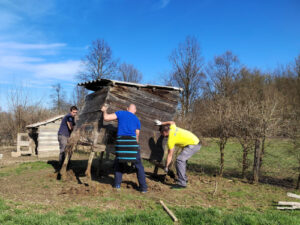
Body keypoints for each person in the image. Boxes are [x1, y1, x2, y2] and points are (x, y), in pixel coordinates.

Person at [101, 103, 147, 193]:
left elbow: (106, 118)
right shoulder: (137, 120)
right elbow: (137, 135)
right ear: (135, 111)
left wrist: (104, 111)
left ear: (127, 109)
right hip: (132, 143)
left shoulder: (121, 113)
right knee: (139, 165)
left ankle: (117, 184)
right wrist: (135, 147)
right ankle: (143, 188)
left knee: (119, 162)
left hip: (121, 142)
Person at [155, 120, 201, 188]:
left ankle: (182, 184)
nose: (162, 135)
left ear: (164, 132)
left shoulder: (171, 139)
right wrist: (161, 123)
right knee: (182, 160)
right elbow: (172, 122)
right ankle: (184, 179)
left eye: (161, 133)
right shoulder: (173, 128)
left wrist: (166, 166)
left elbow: (170, 154)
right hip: (195, 141)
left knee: (180, 160)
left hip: (193, 145)